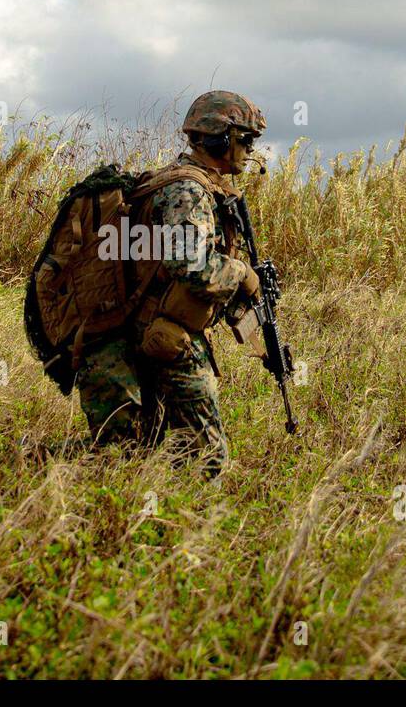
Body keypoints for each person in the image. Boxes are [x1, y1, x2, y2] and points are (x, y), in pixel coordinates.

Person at [74, 90, 266, 478]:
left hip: (149, 329)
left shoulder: (196, 185)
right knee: (205, 457)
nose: (248, 150)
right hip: (158, 333)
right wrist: (242, 274)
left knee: (140, 449)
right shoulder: (188, 190)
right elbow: (189, 266)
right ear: (220, 138)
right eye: (244, 139)